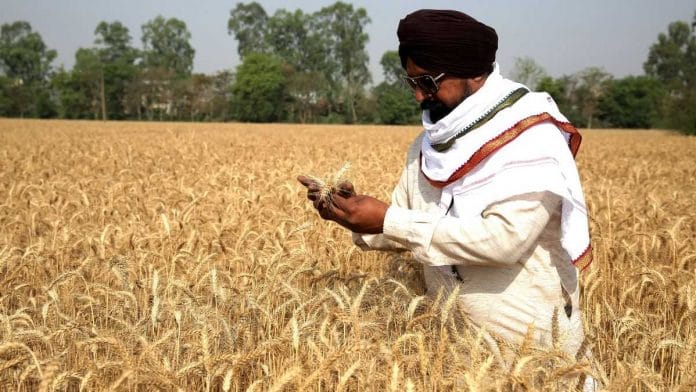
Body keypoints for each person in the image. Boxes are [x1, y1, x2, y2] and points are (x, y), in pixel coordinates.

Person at [298, 8, 593, 375]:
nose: (420, 97)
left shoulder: (531, 138)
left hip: (537, 361)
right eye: (411, 83)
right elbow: (407, 225)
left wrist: (389, 218)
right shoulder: (428, 146)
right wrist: (352, 215)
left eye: (428, 82)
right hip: (453, 357)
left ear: (473, 70)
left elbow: (503, 241)